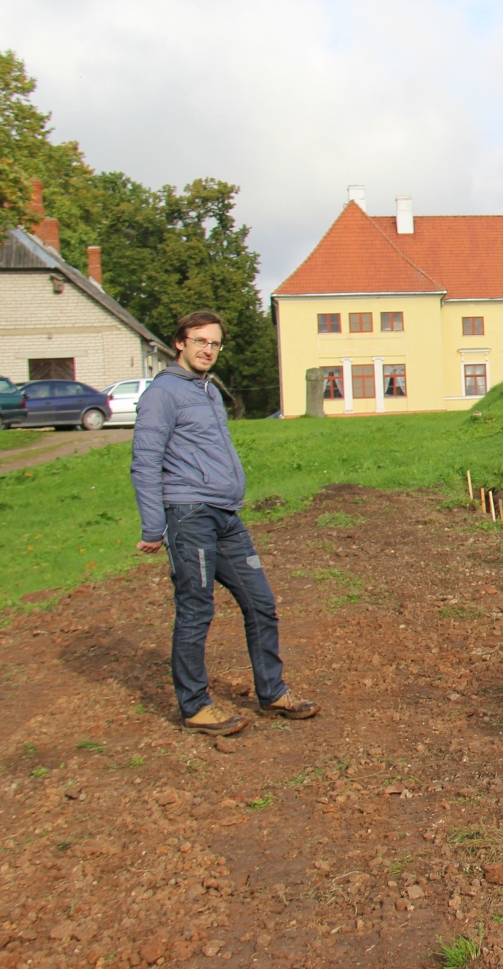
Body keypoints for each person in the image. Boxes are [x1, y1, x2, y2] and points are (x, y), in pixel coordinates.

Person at [132, 311, 319, 736]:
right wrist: (152, 526)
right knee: (196, 609)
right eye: (199, 341)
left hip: (224, 514)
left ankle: (271, 692)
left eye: (214, 344)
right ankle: (195, 706)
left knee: (261, 602)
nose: (207, 350)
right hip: (188, 515)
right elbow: (144, 462)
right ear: (179, 342)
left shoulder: (208, 391)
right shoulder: (163, 393)